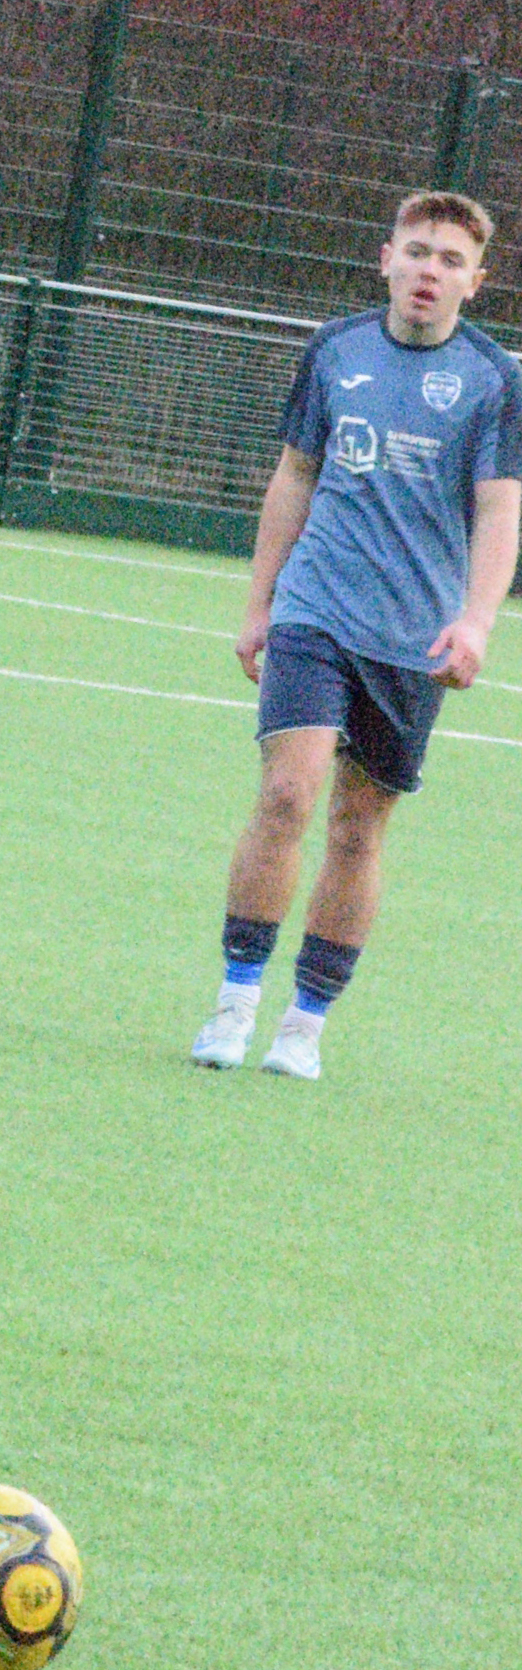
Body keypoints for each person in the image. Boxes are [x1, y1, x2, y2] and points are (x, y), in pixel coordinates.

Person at [192, 190, 522, 1082]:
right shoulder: (335, 352)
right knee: (287, 797)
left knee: (355, 829)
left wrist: (475, 621)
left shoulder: (495, 381)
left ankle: (304, 1023)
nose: (429, 271)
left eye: (450, 261)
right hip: (315, 610)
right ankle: (234, 1001)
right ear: (385, 259)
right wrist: (260, 602)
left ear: (475, 282)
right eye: (416, 252)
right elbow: (294, 474)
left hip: (411, 639)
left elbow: (499, 511)